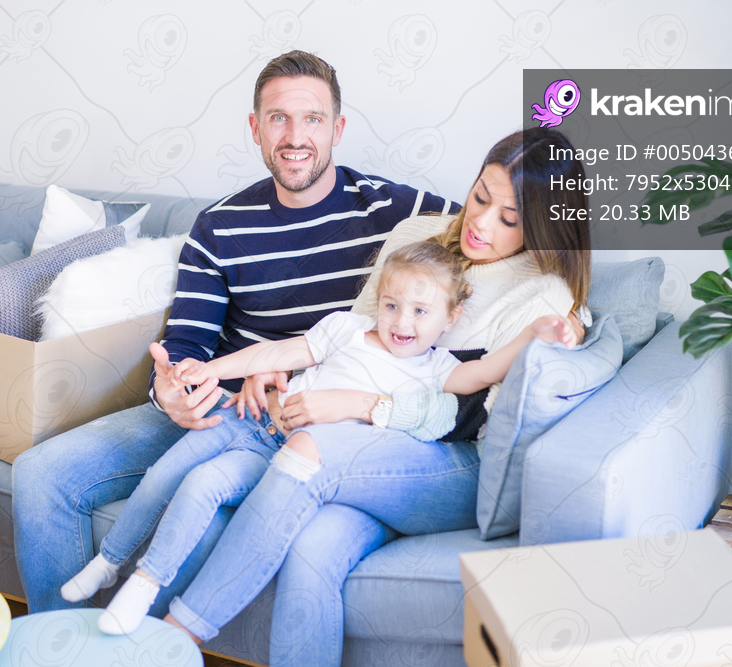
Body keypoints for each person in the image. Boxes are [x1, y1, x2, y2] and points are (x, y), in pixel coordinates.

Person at [11, 50, 458, 615]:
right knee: (39, 473)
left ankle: (147, 643)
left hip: (314, 424)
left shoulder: (396, 210)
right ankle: (59, 645)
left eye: (313, 119)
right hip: (221, 407)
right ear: (255, 127)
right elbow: (187, 344)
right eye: (278, 118)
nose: (295, 137)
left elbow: (496, 232)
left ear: (338, 128)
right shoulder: (220, 226)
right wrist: (172, 390)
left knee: (207, 514)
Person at [155, 127, 593, 657]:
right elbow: (354, 344)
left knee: (309, 451)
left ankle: (177, 635)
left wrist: (365, 407)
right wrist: (275, 373)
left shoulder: (543, 293)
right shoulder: (420, 235)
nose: (480, 223)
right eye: (480, 197)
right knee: (312, 548)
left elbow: (473, 415)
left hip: (447, 459)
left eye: (509, 219)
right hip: (364, 442)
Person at [65, 239, 577, 635]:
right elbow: (276, 355)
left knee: (204, 483)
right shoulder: (346, 329)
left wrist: (535, 334)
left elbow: (485, 371)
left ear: (451, 319)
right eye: (392, 305)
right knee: (169, 471)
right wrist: (209, 370)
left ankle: (145, 586)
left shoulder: (438, 369)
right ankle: (110, 564)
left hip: (281, 458)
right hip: (256, 423)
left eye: (421, 312)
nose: (401, 322)